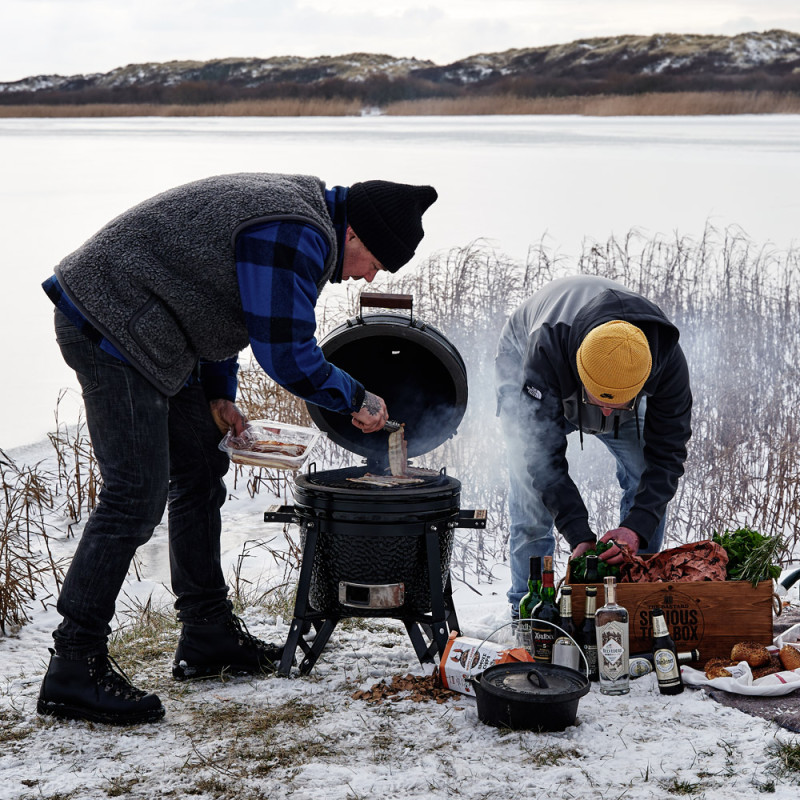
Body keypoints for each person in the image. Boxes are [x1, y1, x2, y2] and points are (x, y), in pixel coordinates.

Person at [37, 173, 438, 724]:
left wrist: (220, 392)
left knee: (202, 465)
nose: (366, 277)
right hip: (111, 321)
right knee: (134, 496)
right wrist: (355, 397)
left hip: (155, 325)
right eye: (376, 262)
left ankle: (206, 633)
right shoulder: (297, 230)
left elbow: (220, 303)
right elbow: (287, 354)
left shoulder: (301, 219)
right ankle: (73, 665)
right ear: (357, 235)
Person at [495, 275, 692, 617]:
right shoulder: (547, 352)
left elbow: (667, 454)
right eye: (598, 402)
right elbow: (542, 458)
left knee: (644, 475)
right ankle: (526, 611)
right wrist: (577, 532)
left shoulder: (666, 362)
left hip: (604, 378)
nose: (603, 413)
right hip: (529, 362)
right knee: (529, 495)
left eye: (615, 406)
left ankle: (634, 602)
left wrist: (636, 528)